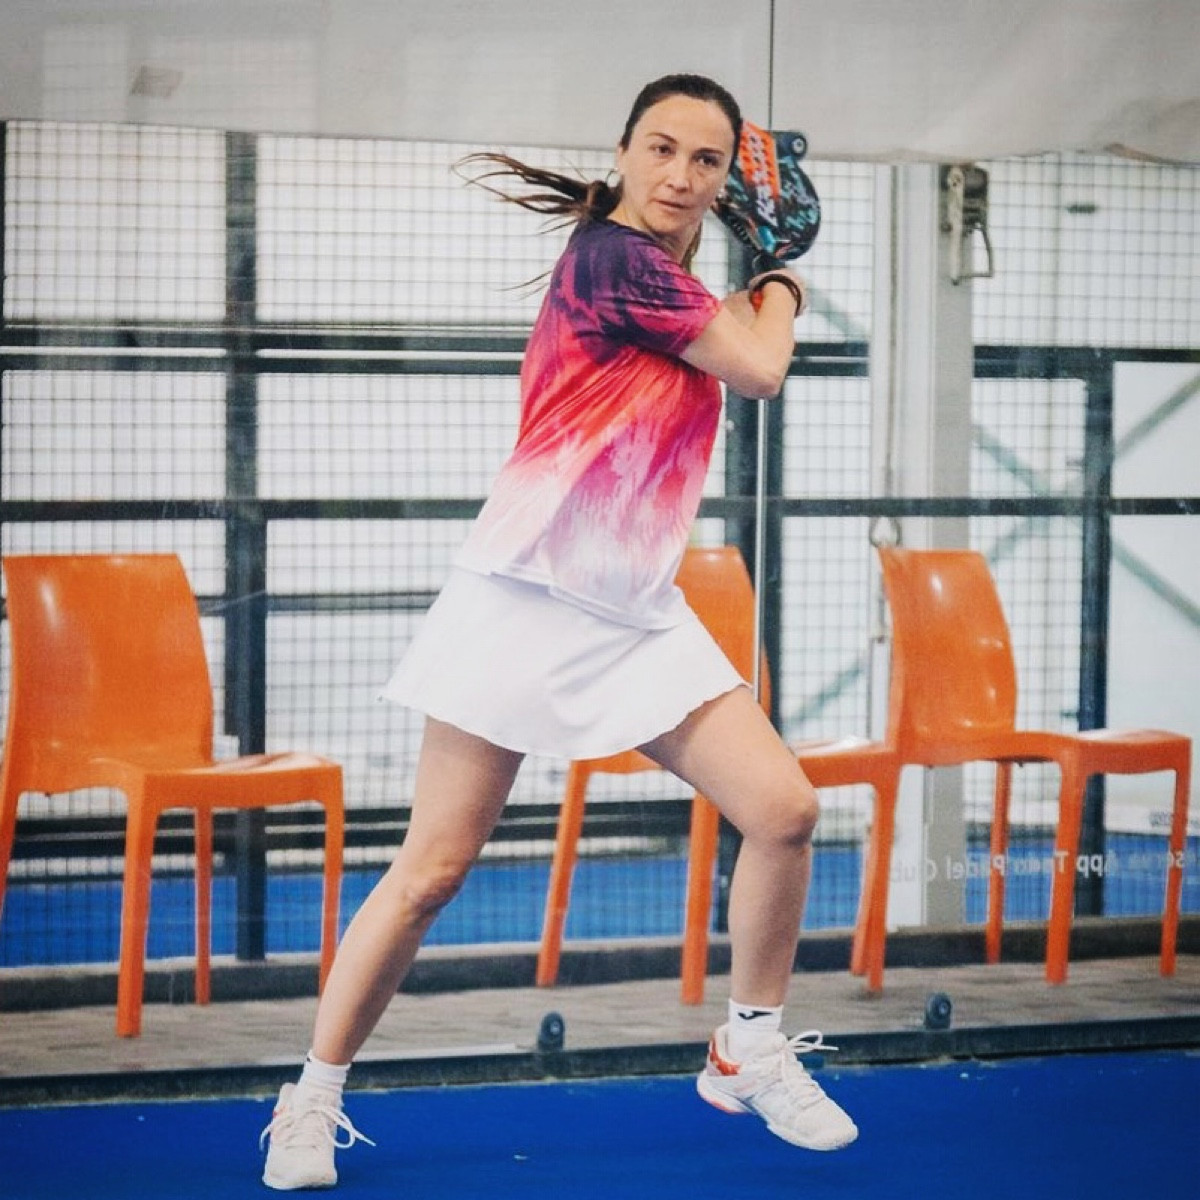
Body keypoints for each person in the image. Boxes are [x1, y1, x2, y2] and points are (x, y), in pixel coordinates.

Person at [260, 72, 858, 1190]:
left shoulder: (673, 281)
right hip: (521, 597)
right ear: (624, 153)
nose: (681, 174)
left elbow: (732, 349)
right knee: (432, 872)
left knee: (783, 811)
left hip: (633, 611)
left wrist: (752, 281)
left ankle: (749, 1047)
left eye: (707, 160)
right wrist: (783, 275)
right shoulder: (614, 260)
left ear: (725, 180)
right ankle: (311, 1100)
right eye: (662, 148)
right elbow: (762, 366)